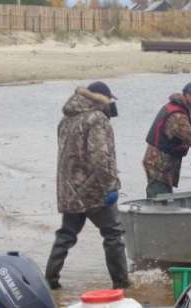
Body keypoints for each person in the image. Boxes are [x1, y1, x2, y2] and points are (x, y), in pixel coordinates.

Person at [45, 81, 130, 290]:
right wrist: (110, 186)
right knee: (113, 234)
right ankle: (121, 283)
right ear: (101, 99)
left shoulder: (66, 120)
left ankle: (50, 279)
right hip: (94, 191)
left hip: (69, 191)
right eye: (109, 100)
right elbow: (101, 157)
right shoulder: (97, 119)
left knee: (66, 234)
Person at [143, 81, 191, 198]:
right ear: (188, 96)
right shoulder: (177, 116)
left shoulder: (177, 109)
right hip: (158, 164)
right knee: (160, 200)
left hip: (160, 163)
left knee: (164, 196)